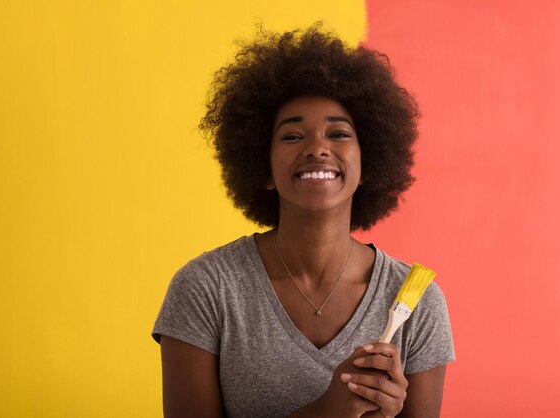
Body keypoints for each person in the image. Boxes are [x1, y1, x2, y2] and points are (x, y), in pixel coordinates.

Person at [152, 25, 455, 418]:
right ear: (263, 166)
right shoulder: (206, 290)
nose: (317, 148)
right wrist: (326, 411)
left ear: (368, 165)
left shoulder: (417, 303)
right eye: (293, 136)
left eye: (339, 134)